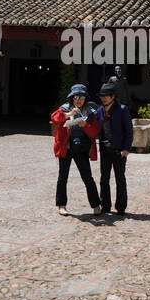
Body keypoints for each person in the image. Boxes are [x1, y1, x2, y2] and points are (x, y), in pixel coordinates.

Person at [52, 83, 102, 215]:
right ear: (72, 98)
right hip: (66, 148)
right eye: (76, 97)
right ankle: (61, 205)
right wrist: (68, 114)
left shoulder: (91, 112)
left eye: (81, 97)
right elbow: (55, 119)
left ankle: (96, 205)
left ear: (85, 98)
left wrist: (85, 124)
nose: (78, 99)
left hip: (82, 149)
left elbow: (95, 131)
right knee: (62, 177)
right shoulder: (64, 108)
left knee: (87, 177)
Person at [97, 81, 133, 215]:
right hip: (105, 150)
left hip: (119, 150)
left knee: (120, 179)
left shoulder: (122, 109)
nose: (103, 97)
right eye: (101, 95)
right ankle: (105, 206)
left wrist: (126, 149)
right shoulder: (100, 110)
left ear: (112, 96)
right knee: (104, 179)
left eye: (106, 95)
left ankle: (121, 207)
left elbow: (129, 131)